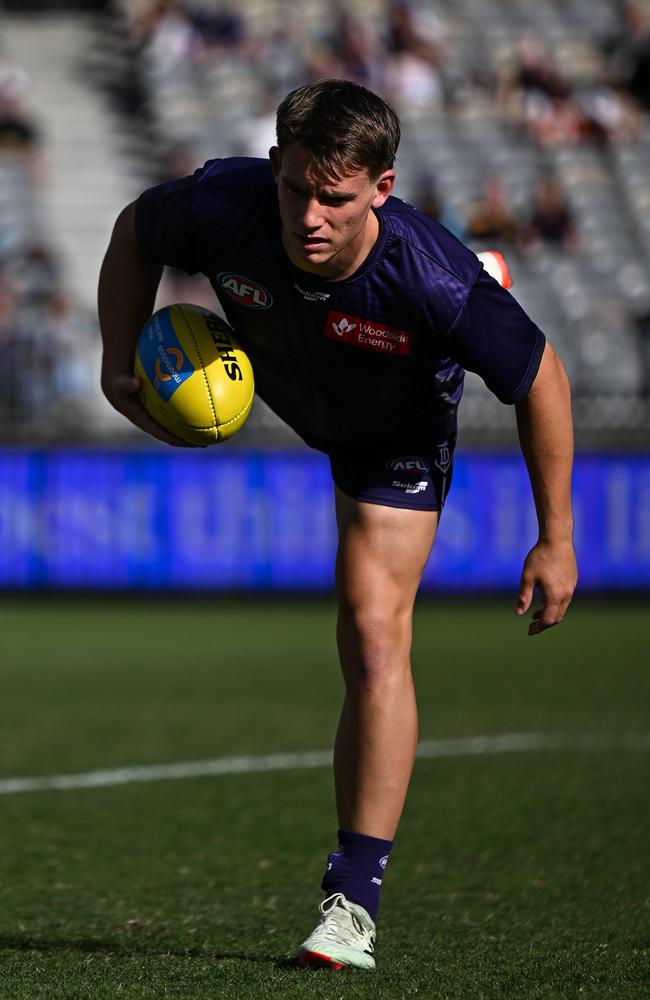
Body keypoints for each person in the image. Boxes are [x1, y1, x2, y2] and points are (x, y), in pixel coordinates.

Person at [98, 79, 578, 971]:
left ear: (382, 190)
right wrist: (113, 356)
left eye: (338, 198)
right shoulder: (224, 207)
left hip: (391, 427)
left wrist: (557, 535)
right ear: (276, 167)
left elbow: (542, 377)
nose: (311, 216)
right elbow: (135, 228)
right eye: (297, 190)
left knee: (369, 630)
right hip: (290, 377)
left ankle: (351, 905)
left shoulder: (431, 278)